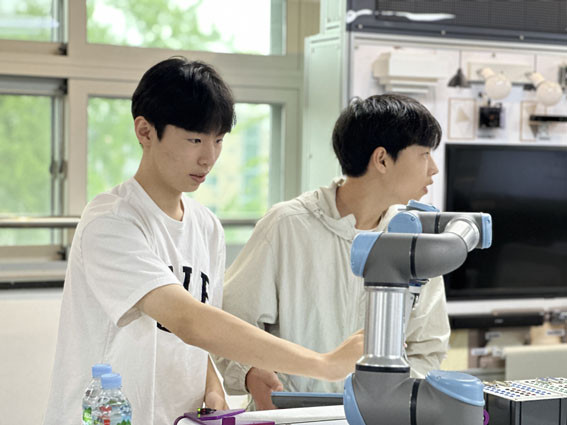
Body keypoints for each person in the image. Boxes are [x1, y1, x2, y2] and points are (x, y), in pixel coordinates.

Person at [43, 57, 363, 425]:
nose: (208, 157)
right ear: (145, 131)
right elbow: (187, 320)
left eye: (219, 140)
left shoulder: (207, 226)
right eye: (195, 139)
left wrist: (213, 386)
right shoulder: (112, 221)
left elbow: (197, 334)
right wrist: (324, 364)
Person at [217, 94, 451, 410]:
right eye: (424, 154)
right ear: (382, 159)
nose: (433, 169)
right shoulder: (286, 225)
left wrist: (389, 397)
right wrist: (249, 373)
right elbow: (229, 324)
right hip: (289, 416)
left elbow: (428, 347)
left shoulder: (415, 239)